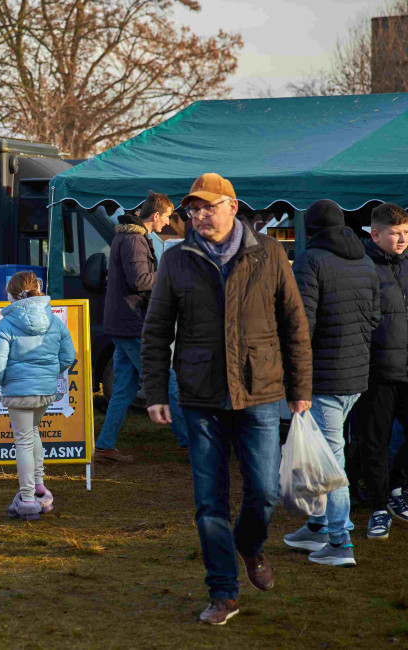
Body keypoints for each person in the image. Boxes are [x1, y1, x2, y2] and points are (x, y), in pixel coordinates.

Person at [141, 173, 312, 626]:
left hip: (259, 392)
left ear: (232, 207)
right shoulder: (177, 260)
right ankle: (222, 592)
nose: (198, 216)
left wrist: (301, 390)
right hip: (199, 396)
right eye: (192, 210)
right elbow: (157, 330)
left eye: (208, 208)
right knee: (208, 501)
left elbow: (295, 325)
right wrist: (156, 391)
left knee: (265, 489)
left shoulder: (270, 253)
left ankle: (250, 545)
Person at [283, 200, 380, 567]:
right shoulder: (365, 260)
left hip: (325, 376)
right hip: (356, 375)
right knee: (330, 450)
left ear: (311, 228)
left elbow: (301, 325)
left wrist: (294, 375)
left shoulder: (311, 261)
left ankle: (339, 542)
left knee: (331, 459)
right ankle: (319, 524)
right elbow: (374, 316)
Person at [97, 192, 186, 462]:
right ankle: (192, 442)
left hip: (124, 323)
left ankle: (104, 445)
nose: (169, 222)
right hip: (133, 323)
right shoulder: (135, 240)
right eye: (168, 216)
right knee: (164, 378)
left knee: (123, 388)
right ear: (156, 215)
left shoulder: (127, 236)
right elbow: (141, 280)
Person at [0, 271, 75, 521]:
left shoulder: (6, 324)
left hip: (18, 391)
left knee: (23, 440)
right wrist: (47, 375)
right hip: (45, 391)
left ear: (11, 295)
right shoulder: (55, 321)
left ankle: (27, 500)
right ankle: (39, 486)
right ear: (38, 290)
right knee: (33, 433)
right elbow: (68, 357)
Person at [356, 204, 408, 540]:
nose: (402, 238)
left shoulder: (407, 266)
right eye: (395, 233)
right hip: (374, 371)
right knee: (374, 442)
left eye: (406, 232)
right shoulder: (361, 268)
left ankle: (396, 487)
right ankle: (377, 507)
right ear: (375, 234)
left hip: (407, 369)